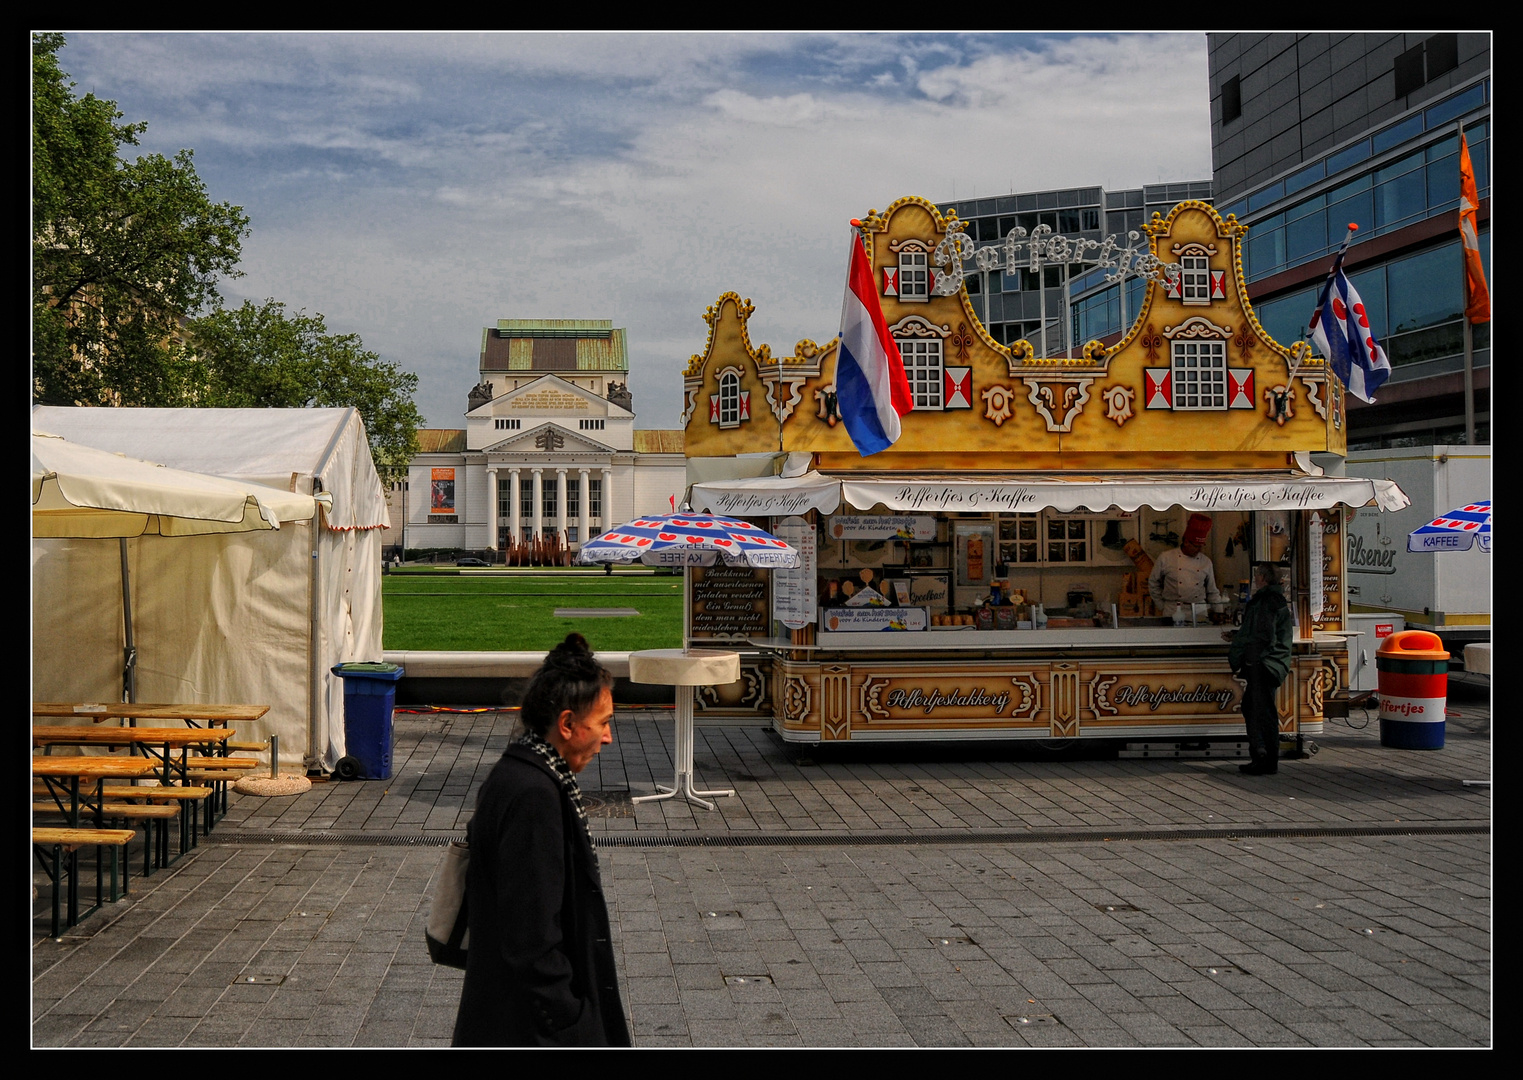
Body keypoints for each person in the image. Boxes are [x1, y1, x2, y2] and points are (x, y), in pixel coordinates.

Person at [452, 633, 631, 1047]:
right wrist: (574, 1022)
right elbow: (531, 939)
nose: (608, 738)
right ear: (567, 724)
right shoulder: (534, 795)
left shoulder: (520, 771)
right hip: (529, 1029)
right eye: (602, 724)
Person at [1224, 563, 1293, 776]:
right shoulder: (1276, 600)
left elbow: (1262, 635)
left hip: (1263, 663)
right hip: (1272, 663)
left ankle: (1264, 757)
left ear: (1262, 578)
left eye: (1257, 576)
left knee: (1260, 710)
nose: (1255, 579)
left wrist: (1246, 656)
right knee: (1256, 708)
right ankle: (1263, 755)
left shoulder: (1265, 602)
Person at [1149, 513, 1223, 617]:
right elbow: (1153, 583)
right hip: (1173, 610)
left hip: (1199, 611)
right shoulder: (1165, 558)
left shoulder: (1206, 562)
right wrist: (1162, 605)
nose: (1200, 550)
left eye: (1201, 546)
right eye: (1197, 546)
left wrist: (1219, 612)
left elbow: (1213, 591)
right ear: (1187, 542)